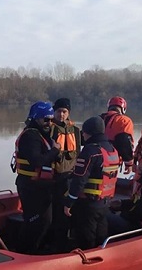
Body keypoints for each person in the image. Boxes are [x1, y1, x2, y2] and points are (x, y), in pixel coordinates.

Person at [11, 101, 60, 254]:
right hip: (31, 186)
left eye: (51, 119)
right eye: (46, 119)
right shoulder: (30, 136)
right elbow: (37, 161)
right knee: (36, 222)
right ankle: (25, 252)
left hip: (40, 186)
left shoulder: (41, 135)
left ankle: (34, 250)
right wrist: (54, 151)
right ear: (35, 118)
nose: (49, 123)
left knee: (44, 221)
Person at [64, 116, 120, 249]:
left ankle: (86, 264)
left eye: (83, 132)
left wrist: (69, 202)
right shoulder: (112, 149)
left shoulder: (91, 151)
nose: (82, 135)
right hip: (104, 202)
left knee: (85, 238)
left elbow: (79, 179)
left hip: (88, 204)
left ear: (88, 133)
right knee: (101, 235)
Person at [44, 97, 81, 252]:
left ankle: (62, 242)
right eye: (58, 111)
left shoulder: (75, 130)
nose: (61, 115)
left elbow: (78, 152)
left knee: (65, 212)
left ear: (69, 113)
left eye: (64, 111)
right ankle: (51, 241)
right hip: (53, 176)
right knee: (53, 211)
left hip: (69, 177)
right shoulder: (49, 129)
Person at [100, 96, 134, 175]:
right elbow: (124, 142)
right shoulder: (124, 121)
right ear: (123, 109)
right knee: (107, 184)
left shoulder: (98, 119)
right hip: (111, 161)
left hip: (94, 158)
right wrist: (128, 162)